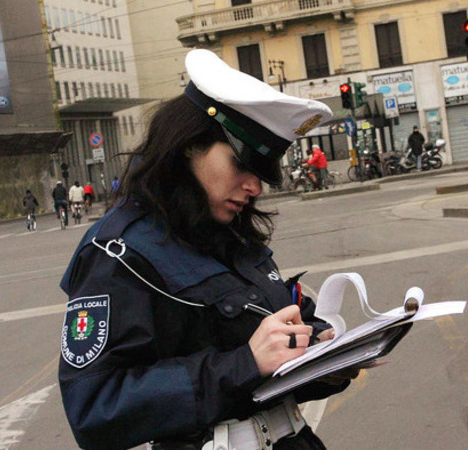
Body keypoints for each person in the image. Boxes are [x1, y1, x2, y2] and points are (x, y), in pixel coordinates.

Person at [59, 49, 364, 450]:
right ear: (188, 146)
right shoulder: (119, 251)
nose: (255, 187)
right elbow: (94, 408)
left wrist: (326, 356)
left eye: (262, 174)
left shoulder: (227, 231)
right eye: (242, 165)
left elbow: (271, 336)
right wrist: (244, 364)